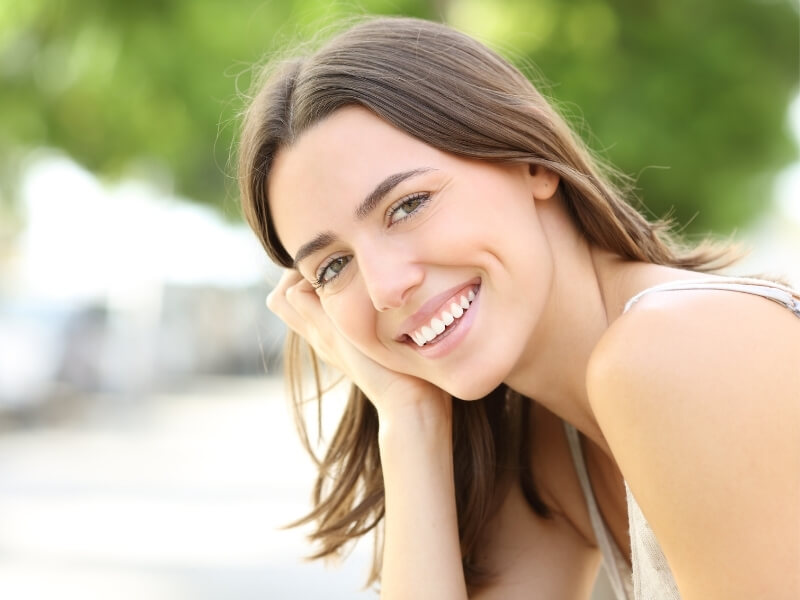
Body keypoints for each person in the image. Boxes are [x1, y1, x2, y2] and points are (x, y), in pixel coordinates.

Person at [237, 16, 800, 600]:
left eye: (408, 206)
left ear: (528, 163)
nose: (384, 288)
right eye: (332, 266)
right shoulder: (548, 445)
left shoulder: (677, 352)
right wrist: (410, 420)